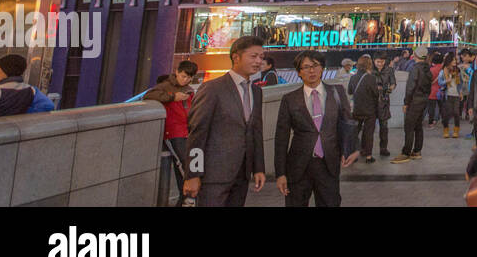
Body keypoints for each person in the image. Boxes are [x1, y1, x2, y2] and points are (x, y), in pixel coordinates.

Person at [184, 36, 266, 206]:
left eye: (261, 57)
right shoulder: (213, 88)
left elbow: (255, 131)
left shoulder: (256, 92)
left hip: (242, 174)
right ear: (236, 57)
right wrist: (193, 174)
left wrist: (258, 168)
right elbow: (197, 133)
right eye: (253, 56)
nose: (259, 61)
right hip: (213, 176)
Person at [274, 50, 359, 207]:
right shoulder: (290, 99)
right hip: (298, 166)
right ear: (299, 72)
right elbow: (281, 138)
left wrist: (353, 149)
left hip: (328, 164)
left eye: (315, 66)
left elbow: (348, 122)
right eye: (305, 67)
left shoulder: (337, 92)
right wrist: (280, 174)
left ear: (322, 68)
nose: (311, 71)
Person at [143, 60, 198, 200]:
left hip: (186, 131)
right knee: (183, 165)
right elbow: (148, 95)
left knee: (187, 165)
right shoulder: (166, 86)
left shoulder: (189, 90)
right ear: (177, 72)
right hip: (173, 133)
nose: (186, 80)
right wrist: (173, 97)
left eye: (190, 78)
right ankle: (187, 197)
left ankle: (185, 197)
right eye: (184, 76)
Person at [392, 46, 432, 163]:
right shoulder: (427, 69)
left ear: (416, 55)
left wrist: (406, 102)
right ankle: (417, 151)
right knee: (418, 126)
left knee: (409, 126)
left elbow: (410, 87)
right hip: (423, 101)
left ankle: (406, 152)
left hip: (414, 101)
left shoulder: (415, 69)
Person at [348, 54, 380, 163]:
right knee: (368, 133)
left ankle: (353, 154)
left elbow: (350, 92)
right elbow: (376, 94)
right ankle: (368, 156)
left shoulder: (353, 77)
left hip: (356, 110)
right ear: (369, 65)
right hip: (369, 110)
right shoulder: (371, 78)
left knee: (354, 132)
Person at [372, 54, 395, 156]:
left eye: (382, 62)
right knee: (369, 127)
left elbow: (393, 83)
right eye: (378, 62)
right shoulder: (370, 70)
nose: (380, 64)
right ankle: (366, 149)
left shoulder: (389, 70)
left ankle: (383, 148)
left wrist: (390, 89)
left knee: (384, 126)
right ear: (374, 61)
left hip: (384, 100)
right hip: (371, 101)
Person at [439, 58, 465, 138]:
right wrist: (446, 81)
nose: (454, 62)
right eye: (453, 60)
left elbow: (460, 83)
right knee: (447, 114)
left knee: (456, 113)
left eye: (455, 61)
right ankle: (446, 130)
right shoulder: (443, 71)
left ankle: (456, 131)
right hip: (448, 94)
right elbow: (440, 82)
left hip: (456, 95)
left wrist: (461, 92)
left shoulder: (458, 70)